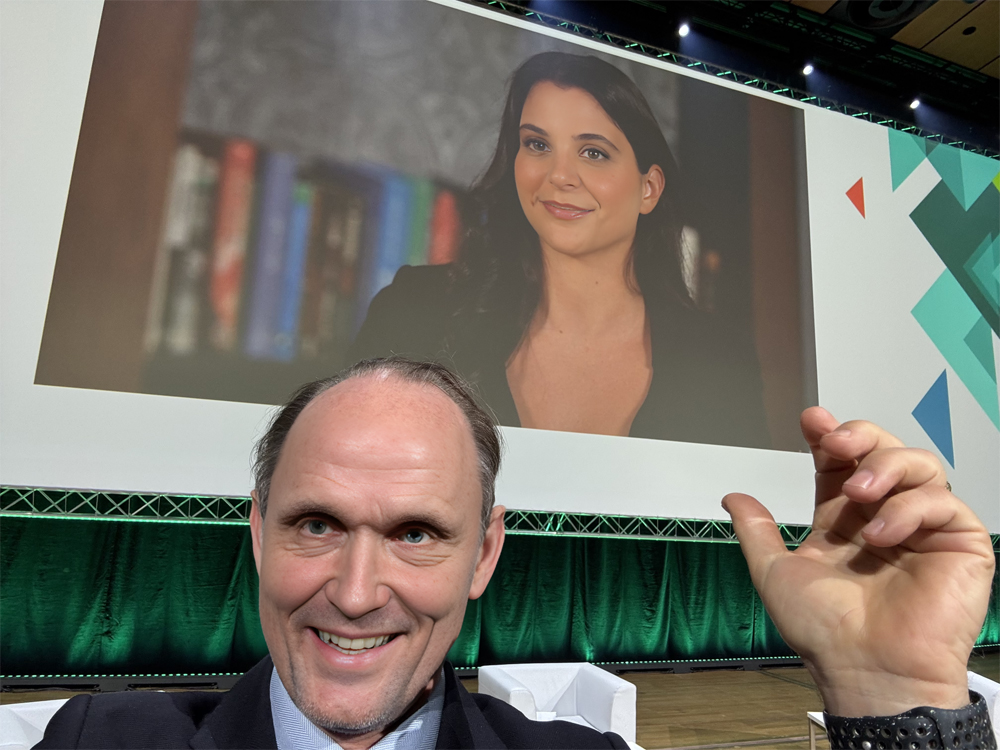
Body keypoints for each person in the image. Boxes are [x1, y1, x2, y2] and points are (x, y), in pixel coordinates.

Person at [37, 357, 996, 750]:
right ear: (257, 530)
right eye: (316, 524)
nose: (357, 592)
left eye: (417, 533)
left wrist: (889, 698)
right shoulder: (103, 741)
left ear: (486, 554)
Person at [350, 52, 772, 449]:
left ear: (649, 189)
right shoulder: (415, 308)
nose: (559, 175)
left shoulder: (720, 359)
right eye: (537, 144)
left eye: (593, 152)